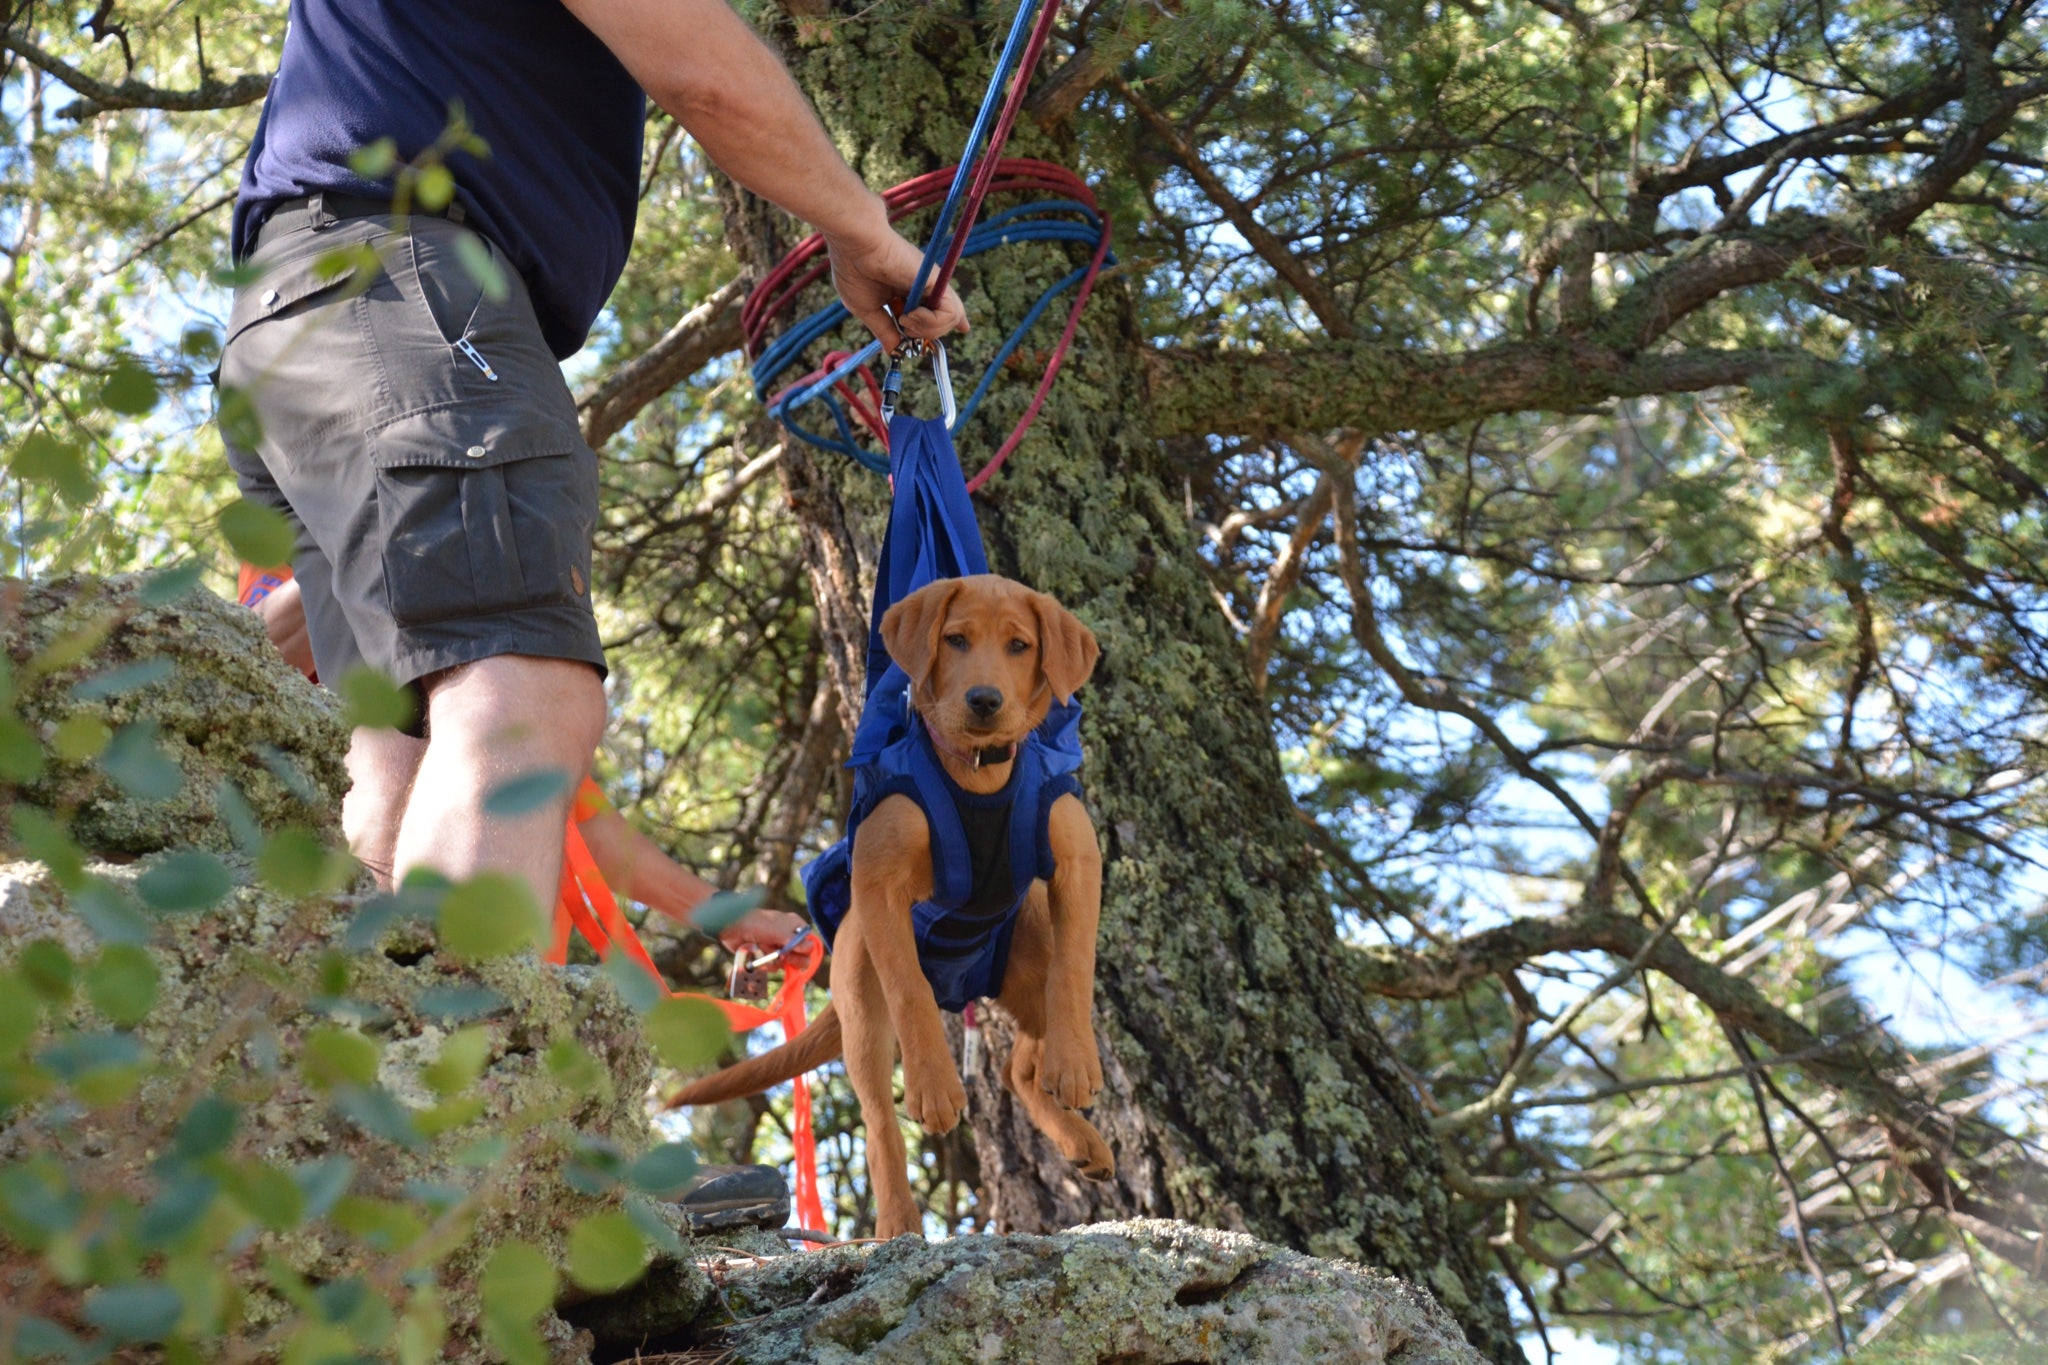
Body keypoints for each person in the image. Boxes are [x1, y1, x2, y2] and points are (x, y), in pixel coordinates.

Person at [216, 0, 966, 924]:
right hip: (401, 279)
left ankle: (386, 1047)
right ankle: (467, 1064)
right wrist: (866, 232)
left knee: (398, 754)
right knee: (521, 688)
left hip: (319, 318)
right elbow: (706, 73)